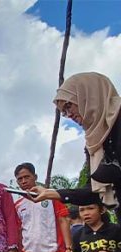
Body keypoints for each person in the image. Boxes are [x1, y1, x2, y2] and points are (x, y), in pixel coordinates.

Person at [31, 73, 121, 214]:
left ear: (89, 96)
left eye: (68, 106)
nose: (69, 114)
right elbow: (93, 190)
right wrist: (51, 193)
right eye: (64, 113)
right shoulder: (94, 142)